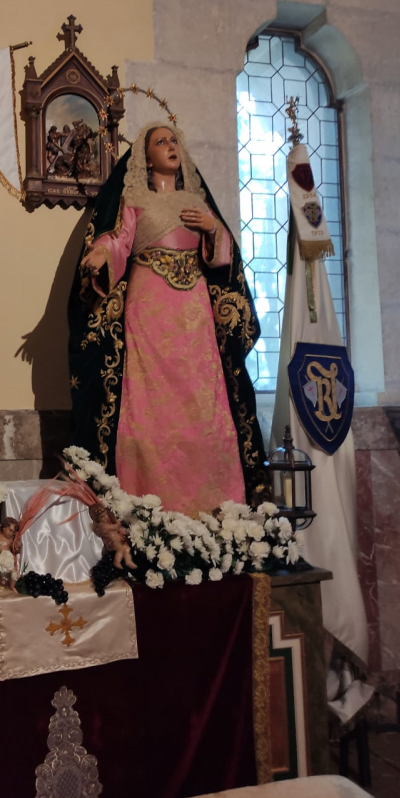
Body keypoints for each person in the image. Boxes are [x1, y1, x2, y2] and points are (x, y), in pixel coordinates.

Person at [68, 122, 269, 514]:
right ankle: (149, 504)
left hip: (193, 311)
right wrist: (100, 254)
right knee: (151, 404)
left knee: (202, 400)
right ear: (146, 157)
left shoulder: (195, 201)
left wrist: (213, 229)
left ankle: (215, 504)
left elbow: (223, 255)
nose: (171, 146)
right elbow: (119, 240)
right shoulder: (134, 198)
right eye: (161, 142)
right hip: (150, 307)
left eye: (175, 139)